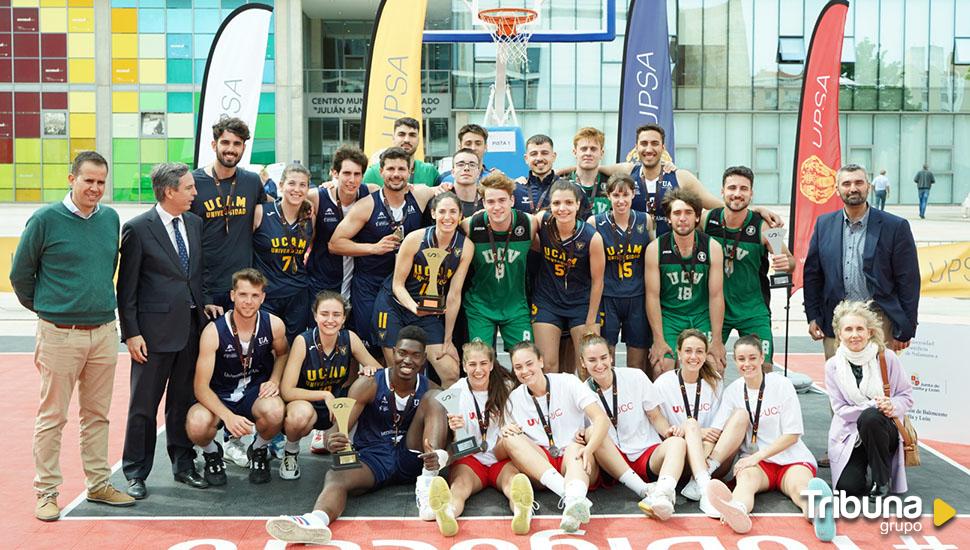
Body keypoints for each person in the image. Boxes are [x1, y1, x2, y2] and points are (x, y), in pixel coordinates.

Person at [10, 151, 134, 520]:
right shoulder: (46, 219)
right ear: (71, 179)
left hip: (103, 332)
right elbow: (21, 274)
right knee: (53, 416)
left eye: (101, 182)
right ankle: (46, 492)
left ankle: (98, 484)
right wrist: (50, 309)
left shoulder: (110, 219)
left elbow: (106, 268)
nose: (95, 188)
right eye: (88, 181)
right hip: (59, 334)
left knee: (97, 415)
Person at [264, 326, 449, 545]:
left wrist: (442, 455)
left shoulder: (430, 388)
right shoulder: (368, 384)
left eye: (415, 355)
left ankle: (430, 480)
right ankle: (315, 521)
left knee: (437, 398)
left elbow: (454, 438)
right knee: (336, 475)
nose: (408, 360)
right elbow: (336, 431)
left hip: (413, 456)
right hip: (374, 456)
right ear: (393, 352)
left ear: (424, 359)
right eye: (402, 353)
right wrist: (332, 440)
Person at [116, 162, 208, 499]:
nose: (194, 193)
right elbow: (126, 289)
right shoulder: (138, 229)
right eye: (188, 188)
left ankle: (183, 465)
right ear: (169, 191)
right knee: (143, 406)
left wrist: (206, 303)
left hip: (191, 330)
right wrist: (132, 333)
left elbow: (196, 275)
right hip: (151, 337)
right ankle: (136, 472)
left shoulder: (195, 224)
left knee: (181, 403)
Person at [705, 335, 835, 541]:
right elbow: (717, 430)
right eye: (741, 359)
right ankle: (737, 510)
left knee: (799, 486)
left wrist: (756, 457)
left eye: (752, 358)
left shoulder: (781, 384)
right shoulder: (733, 391)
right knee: (745, 481)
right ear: (735, 361)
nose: (747, 364)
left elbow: (792, 435)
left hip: (790, 458)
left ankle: (817, 512)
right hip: (758, 465)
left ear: (762, 357)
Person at [804, 163, 920, 360]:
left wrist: (906, 325)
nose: (853, 188)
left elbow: (908, 281)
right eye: (846, 183)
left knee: (880, 384)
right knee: (839, 384)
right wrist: (813, 315)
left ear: (869, 186)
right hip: (836, 320)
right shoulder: (824, 224)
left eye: (859, 182)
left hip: (880, 319)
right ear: (837, 189)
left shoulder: (895, 226)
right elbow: (813, 275)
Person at [185, 269, 289, 485]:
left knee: (275, 410)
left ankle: (258, 450)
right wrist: (227, 416)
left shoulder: (274, 324)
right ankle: (212, 453)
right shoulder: (214, 331)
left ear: (263, 297)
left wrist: (275, 380)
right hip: (219, 394)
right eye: (243, 295)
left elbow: (283, 354)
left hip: (253, 392)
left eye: (254, 296)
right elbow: (200, 387)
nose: (248, 302)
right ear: (232, 295)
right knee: (196, 423)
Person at [329, 147, 439, 350]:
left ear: (410, 171)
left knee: (407, 345)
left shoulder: (422, 195)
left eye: (401, 169)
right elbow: (335, 243)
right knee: (373, 346)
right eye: (390, 169)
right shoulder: (366, 205)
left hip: (407, 285)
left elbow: (449, 194)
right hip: (371, 285)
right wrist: (373, 248)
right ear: (381, 172)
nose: (396, 174)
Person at [426, 342, 536, 537]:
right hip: (471, 458)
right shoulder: (455, 392)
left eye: (483, 363)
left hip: (500, 455)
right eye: (472, 364)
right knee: (459, 486)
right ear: (464, 366)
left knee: (513, 482)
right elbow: (456, 441)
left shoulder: (507, 387)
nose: (478, 370)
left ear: (492, 365)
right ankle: (448, 513)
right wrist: (454, 428)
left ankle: (522, 510)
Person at [590, 124, 782, 234]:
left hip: (672, 255)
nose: (649, 149)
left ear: (663, 147)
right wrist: (563, 170)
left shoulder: (680, 176)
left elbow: (718, 206)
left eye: (655, 143)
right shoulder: (628, 170)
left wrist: (755, 210)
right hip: (636, 257)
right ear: (636, 147)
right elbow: (590, 167)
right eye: (644, 144)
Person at [501, 341, 611, 533]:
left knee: (576, 448)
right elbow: (498, 452)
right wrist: (506, 434)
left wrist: (590, 448)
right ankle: (572, 499)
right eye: (518, 367)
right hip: (542, 465)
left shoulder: (567, 381)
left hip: (574, 459)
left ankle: (574, 501)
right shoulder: (513, 399)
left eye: (529, 363)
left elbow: (601, 419)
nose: (524, 371)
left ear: (541, 361)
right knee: (510, 438)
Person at [578, 335, 686, 520]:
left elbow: (655, 415)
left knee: (677, 443)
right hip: (611, 461)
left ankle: (663, 494)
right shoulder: (580, 391)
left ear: (611, 356)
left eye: (603, 358)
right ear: (582, 362)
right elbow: (579, 430)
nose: (599, 365)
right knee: (593, 431)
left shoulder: (635, 377)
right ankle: (644, 490)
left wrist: (667, 431)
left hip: (644, 452)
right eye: (592, 360)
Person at [373, 192, 474, 387]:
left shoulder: (466, 247)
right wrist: (413, 307)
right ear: (433, 213)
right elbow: (397, 285)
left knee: (451, 372)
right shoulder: (415, 239)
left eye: (453, 211)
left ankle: (447, 417)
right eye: (442, 211)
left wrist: (448, 339)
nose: (448, 217)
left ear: (460, 215)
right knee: (398, 370)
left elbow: (453, 295)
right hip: (395, 306)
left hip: (428, 310)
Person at [278, 291, 382, 479]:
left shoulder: (349, 338)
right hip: (306, 403)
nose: (330, 320)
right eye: (324, 314)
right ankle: (291, 452)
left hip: (335, 409)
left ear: (344, 318)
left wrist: (369, 370)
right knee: (300, 415)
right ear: (315, 315)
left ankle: (350, 446)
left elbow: (380, 370)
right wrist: (324, 395)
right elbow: (286, 391)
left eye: (336, 315)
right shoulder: (304, 341)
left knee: (333, 444)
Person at [702, 166, 794, 370]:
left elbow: (788, 260)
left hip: (753, 309)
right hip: (716, 308)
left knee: (763, 368)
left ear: (751, 193)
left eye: (743, 188)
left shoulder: (765, 227)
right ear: (722, 191)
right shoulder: (707, 219)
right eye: (732, 187)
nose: (737, 193)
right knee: (709, 366)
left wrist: (786, 264)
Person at [653, 329, 747, 517]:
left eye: (699, 351)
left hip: (711, 455)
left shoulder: (715, 381)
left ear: (706, 354)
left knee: (741, 414)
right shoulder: (663, 383)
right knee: (691, 424)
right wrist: (695, 431)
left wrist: (702, 433)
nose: (693, 356)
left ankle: (700, 480)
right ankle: (706, 490)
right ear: (678, 352)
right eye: (688, 351)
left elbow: (718, 429)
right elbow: (662, 430)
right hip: (679, 458)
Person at [825, 300, 913, 498]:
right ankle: (862, 465)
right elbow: (840, 409)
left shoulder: (886, 358)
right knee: (848, 489)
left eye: (859, 329)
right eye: (848, 329)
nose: (854, 335)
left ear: (870, 332)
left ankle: (881, 480)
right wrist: (874, 403)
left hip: (883, 429)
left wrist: (891, 404)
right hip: (851, 435)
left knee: (871, 417)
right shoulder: (832, 366)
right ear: (840, 334)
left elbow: (906, 396)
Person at [189, 116, 267, 318]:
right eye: (225, 142)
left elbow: (276, 205)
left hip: (241, 287)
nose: (230, 149)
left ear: (243, 147)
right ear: (214, 144)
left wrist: (310, 199)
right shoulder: (193, 183)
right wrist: (203, 294)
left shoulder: (251, 181)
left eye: (237, 144)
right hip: (205, 286)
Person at [645, 188, 726, 378]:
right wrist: (658, 339)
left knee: (714, 364)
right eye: (677, 213)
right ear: (668, 219)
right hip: (670, 317)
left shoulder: (712, 247)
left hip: (700, 315)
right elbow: (652, 296)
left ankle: (706, 407)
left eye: (688, 213)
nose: (682, 218)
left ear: (697, 217)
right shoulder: (655, 249)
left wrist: (717, 339)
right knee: (661, 366)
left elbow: (716, 296)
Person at [531, 180, 605, 375]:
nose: (562, 209)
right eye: (556, 203)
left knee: (586, 368)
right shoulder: (542, 221)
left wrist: (590, 321)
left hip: (581, 303)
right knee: (547, 366)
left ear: (578, 205)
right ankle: (553, 405)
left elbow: (598, 281)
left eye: (568, 203)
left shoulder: (592, 237)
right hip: (548, 299)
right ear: (550, 205)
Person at [461, 173, 538, 352]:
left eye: (502, 200)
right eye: (490, 201)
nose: (497, 207)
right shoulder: (470, 226)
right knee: (480, 360)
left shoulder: (529, 224)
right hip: (480, 306)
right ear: (483, 203)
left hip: (515, 306)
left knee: (525, 359)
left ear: (512, 200)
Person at [589, 173, 653, 372]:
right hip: (608, 297)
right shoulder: (595, 222)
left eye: (625, 195)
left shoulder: (645, 220)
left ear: (633, 194)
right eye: (616, 195)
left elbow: (652, 257)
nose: (621, 200)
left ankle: (632, 402)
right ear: (608, 196)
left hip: (637, 296)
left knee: (636, 364)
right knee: (607, 361)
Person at [252, 163, 314, 343]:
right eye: (292, 183)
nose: (297, 189)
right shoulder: (261, 212)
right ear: (281, 186)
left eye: (303, 185)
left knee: (293, 345)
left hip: (298, 294)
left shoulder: (309, 217)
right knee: (265, 347)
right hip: (267, 294)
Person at [516, 134, 589, 214]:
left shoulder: (574, 189)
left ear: (553, 156)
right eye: (534, 154)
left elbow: (585, 223)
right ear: (526, 159)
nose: (539, 158)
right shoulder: (516, 189)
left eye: (544, 153)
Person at [364, 117, 440, 186]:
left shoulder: (430, 172)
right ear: (393, 138)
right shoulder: (372, 173)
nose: (407, 139)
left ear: (418, 140)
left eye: (412, 135)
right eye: (401, 134)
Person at [566, 127, 612, 216]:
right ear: (575, 152)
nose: (588, 153)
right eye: (583, 149)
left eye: (593, 149)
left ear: (601, 153)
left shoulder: (612, 184)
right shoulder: (563, 184)